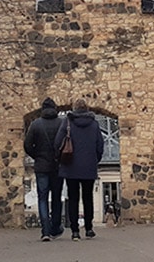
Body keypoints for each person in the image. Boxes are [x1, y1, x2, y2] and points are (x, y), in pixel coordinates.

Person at [54, 98, 104, 241]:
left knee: (73, 197)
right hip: (88, 165)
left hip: (70, 165)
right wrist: (95, 160)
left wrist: (60, 159)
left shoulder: (67, 122)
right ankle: (88, 228)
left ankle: (75, 230)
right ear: (86, 108)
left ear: (74, 108)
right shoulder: (94, 124)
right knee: (88, 197)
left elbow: (58, 142)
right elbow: (100, 145)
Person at [23, 97, 65, 241]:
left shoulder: (35, 125)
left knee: (42, 198)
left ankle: (45, 231)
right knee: (56, 197)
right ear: (55, 108)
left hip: (41, 166)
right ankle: (55, 227)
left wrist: (37, 156)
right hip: (57, 166)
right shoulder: (61, 123)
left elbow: (27, 145)